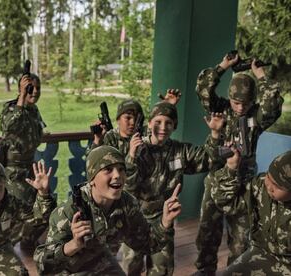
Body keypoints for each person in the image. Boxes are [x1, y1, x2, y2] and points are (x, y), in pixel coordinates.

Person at [194, 54, 283, 275]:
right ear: (229, 98)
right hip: (217, 180)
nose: (241, 107)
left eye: (246, 103)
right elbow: (203, 89)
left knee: (241, 240)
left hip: (244, 184)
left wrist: (260, 74)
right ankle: (205, 271)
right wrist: (224, 65)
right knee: (207, 234)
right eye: (236, 102)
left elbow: (272, 104)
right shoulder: (220, 108)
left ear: (252, 102)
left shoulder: (257, 116)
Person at [33, 145, 182, 275]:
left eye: (121, 169)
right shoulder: (69, 211)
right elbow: (43, 265)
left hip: (99, 259)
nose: (117, 175)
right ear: (92, 179)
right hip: (67, 270)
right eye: (108, 170)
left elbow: (146, 243)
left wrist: (165, 221)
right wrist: (73, 245)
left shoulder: (127, 204)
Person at [123, 100, 224, 276]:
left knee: (162, 268)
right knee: (131, 267)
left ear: (174, 125)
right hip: (135, 219)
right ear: (150, 123)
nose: (163, 127)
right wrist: (131, 157)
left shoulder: (180, 150)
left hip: (164, 219)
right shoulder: (136, 148)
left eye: (169, 123)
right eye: (158, 122)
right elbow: (127, 187)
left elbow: (209, 159)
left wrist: (215, 133)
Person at [211, 149, 291, 275]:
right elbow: (225, 203)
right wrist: (231, 168)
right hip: (262, 252)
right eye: (269, 177)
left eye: (278, 186)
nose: (269, 186)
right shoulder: (260, 185)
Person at [0, 71, 47, 250]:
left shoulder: (34, 110)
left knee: (42, 207)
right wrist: (21, 100)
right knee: (17, 213)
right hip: (14, 171)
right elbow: (9, 127)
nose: (35, 92)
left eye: (38, 88)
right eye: (30, 88)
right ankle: (5, 248)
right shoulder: (11, 108)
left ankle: (27, 243)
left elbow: (38, 129)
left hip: (31, 168)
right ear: (21, 89)